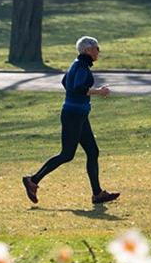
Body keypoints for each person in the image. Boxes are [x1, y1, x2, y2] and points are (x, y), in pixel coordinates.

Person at [22, 36, 120, 205]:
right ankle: (33, 180)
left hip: (78, 114)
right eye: (97, 48)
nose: (99, 51)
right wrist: (99, 91)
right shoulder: (81, 66)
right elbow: (78, 88)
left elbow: (64, 81)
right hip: (73, 115)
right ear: (88, 50)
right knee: (67, 154)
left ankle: (97, 194)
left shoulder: (77, 64)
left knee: (92, 151)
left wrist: (76, 98)